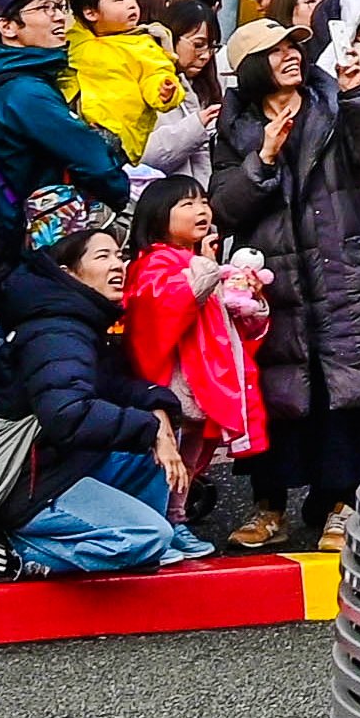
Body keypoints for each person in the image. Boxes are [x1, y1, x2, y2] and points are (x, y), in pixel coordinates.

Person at [215, 0, 360, 550]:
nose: (293, 55)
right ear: (251, 68)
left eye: (295, 46)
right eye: (277, 52)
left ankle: (343, 504)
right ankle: (269, 506)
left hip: (346, 269)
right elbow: (224, 207)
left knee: (350, 390)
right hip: (275, 282)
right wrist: (263, 158)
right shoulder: (235, 128)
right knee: (280, 393)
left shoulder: (332, 100)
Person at [0, 217, 188, 576]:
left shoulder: (79, 319)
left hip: (60, 466)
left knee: (157, 442)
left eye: (120, 256)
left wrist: (157, 407)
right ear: (69, 274)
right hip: (24, 485)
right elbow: (68, 414)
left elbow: (112, 385)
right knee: (148, 537)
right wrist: (150, 429)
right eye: (103, 257)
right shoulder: (56, 330)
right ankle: (17, 550)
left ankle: (139, 542)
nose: (118, 265)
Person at [123, 180, 268, 540]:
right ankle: (163, 524)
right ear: (158, 215)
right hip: (178, 384)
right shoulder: (154, 263)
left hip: (204, 384)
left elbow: (228, 323)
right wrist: (207, 266)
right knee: (168, 459)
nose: (201, 210)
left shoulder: (197, 261)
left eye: (203, 201)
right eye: (187, 205)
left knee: (191, 459)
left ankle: (177, 519)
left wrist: (253, 305)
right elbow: (173, 304)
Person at [0, 0, 130, 258]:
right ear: (8, 27)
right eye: (44, 8)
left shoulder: (8, 75)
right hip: (31, 242)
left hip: (11, 234)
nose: (58, 17)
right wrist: (120, 193)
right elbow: (93, 161)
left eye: (59, 6)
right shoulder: (25, 92)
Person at [60, 0, 177, 169]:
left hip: (117, 133)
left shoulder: (142, 45)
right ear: (90, 13)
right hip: (74, 121)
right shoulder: (74, 40)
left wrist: (164, 90)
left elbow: (156, 73)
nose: (132, 5)